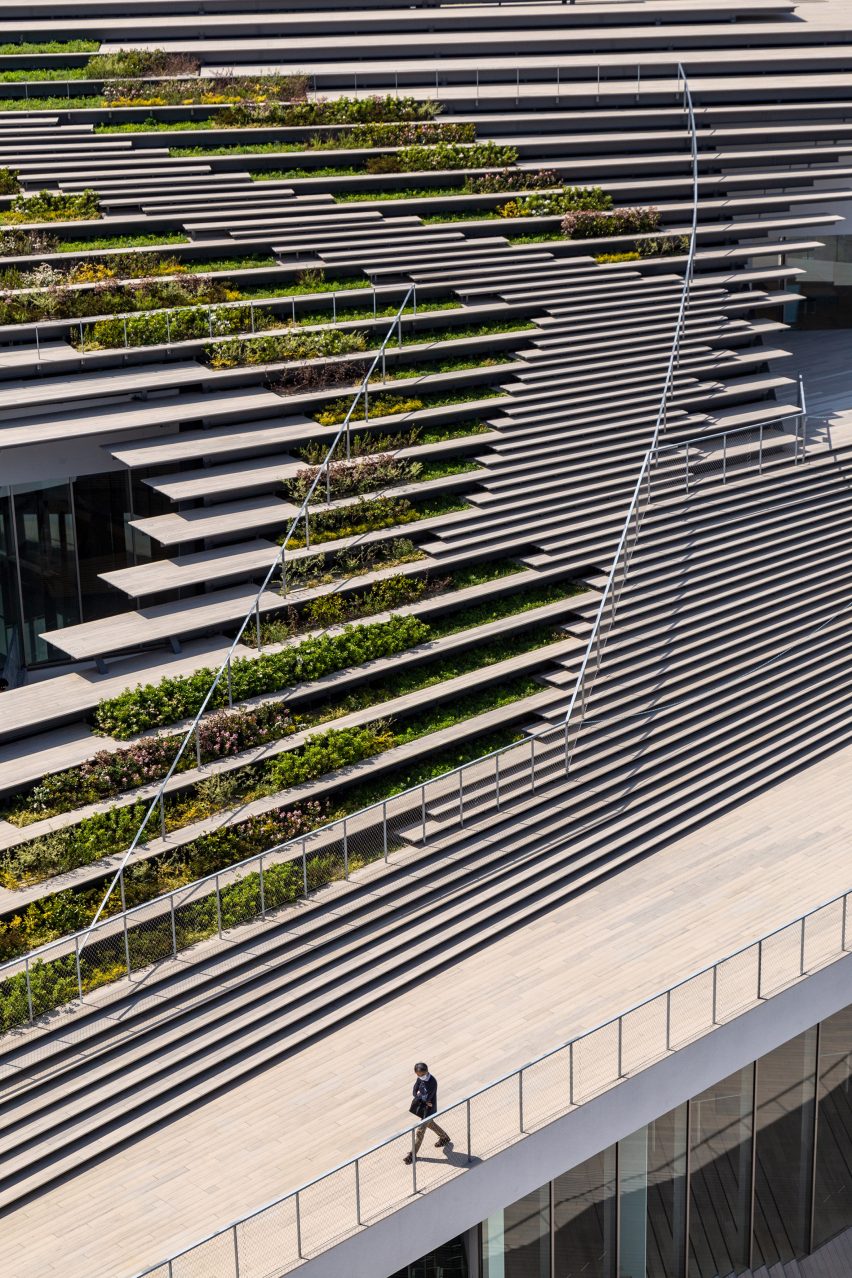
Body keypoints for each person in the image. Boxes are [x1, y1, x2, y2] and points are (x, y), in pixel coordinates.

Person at [404, 1062, 451, 1163]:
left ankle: (412, 1155)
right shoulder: (420, 1078)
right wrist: (420, 1097)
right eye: (418, 1075)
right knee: (430, 1124)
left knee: (420, 1131)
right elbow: (415, 1090)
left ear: (426, 1071)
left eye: (422, 1074)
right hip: (424, 1107)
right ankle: (444, 1137)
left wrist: (421, 1097)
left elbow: (428, 1097)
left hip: (429, 1110)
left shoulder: (432, 1082)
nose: (420, 1076)